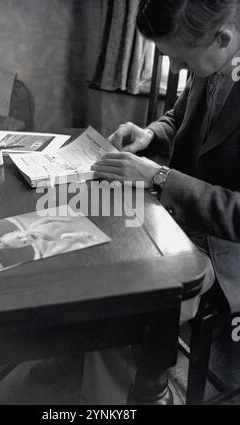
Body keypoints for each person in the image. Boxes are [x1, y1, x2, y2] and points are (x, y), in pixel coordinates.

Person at [82, 0, 240, 404]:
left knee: (118, 304)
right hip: (176, 216)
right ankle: (87, 354)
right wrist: (150, 135)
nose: (174, 71)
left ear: (223, 39)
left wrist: (158, 176)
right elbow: (178, 116)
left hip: (226, 249)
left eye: (181, 61)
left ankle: (129, 394)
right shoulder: (215, 59)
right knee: (88, 247)